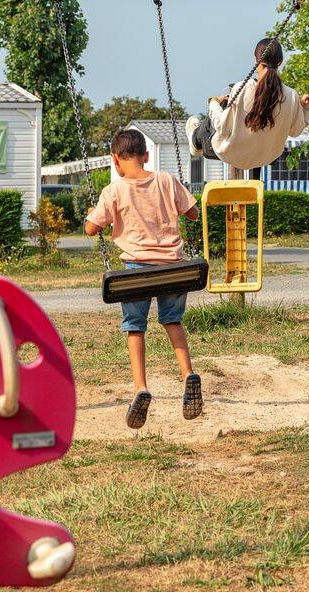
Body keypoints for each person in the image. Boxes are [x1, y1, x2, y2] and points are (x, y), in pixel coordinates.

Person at [84, 129, 204, 429]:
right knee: (172, 321)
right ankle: (187, 373)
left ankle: (140, 387)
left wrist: (92, 216)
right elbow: (192, 214)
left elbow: (90, 229)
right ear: (146, 156)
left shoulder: (113, 191)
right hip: (174, 268)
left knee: (135, 328)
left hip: (138, 271)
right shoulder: (165, 180)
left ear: (115, 160)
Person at [185, 37, 309, 171]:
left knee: (218, 110)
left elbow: (222, 127)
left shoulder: (242, 88)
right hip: (266, 157)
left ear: (256, 59)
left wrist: (213, 103)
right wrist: (306, 109)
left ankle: (195, 140)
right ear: (280, 62)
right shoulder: (291, 96)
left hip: (232, 154)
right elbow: (296, 131)